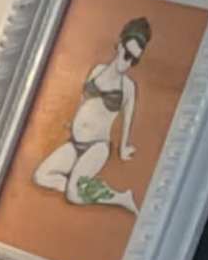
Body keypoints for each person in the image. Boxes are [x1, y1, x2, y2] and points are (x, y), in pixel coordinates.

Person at [34, 13, 151, 212]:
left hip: (97, 146)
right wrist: (74, 122)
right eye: (127, 55)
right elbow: (84, 101)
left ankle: (120, 197)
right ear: (120, 45)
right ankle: (80, 183)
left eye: (134, 61)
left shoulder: (128, 87)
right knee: (40, 176)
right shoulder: (97, 70)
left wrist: (123, 148)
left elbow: (127, 119)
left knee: (73, 195)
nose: (128, 63)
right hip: (75, 142)